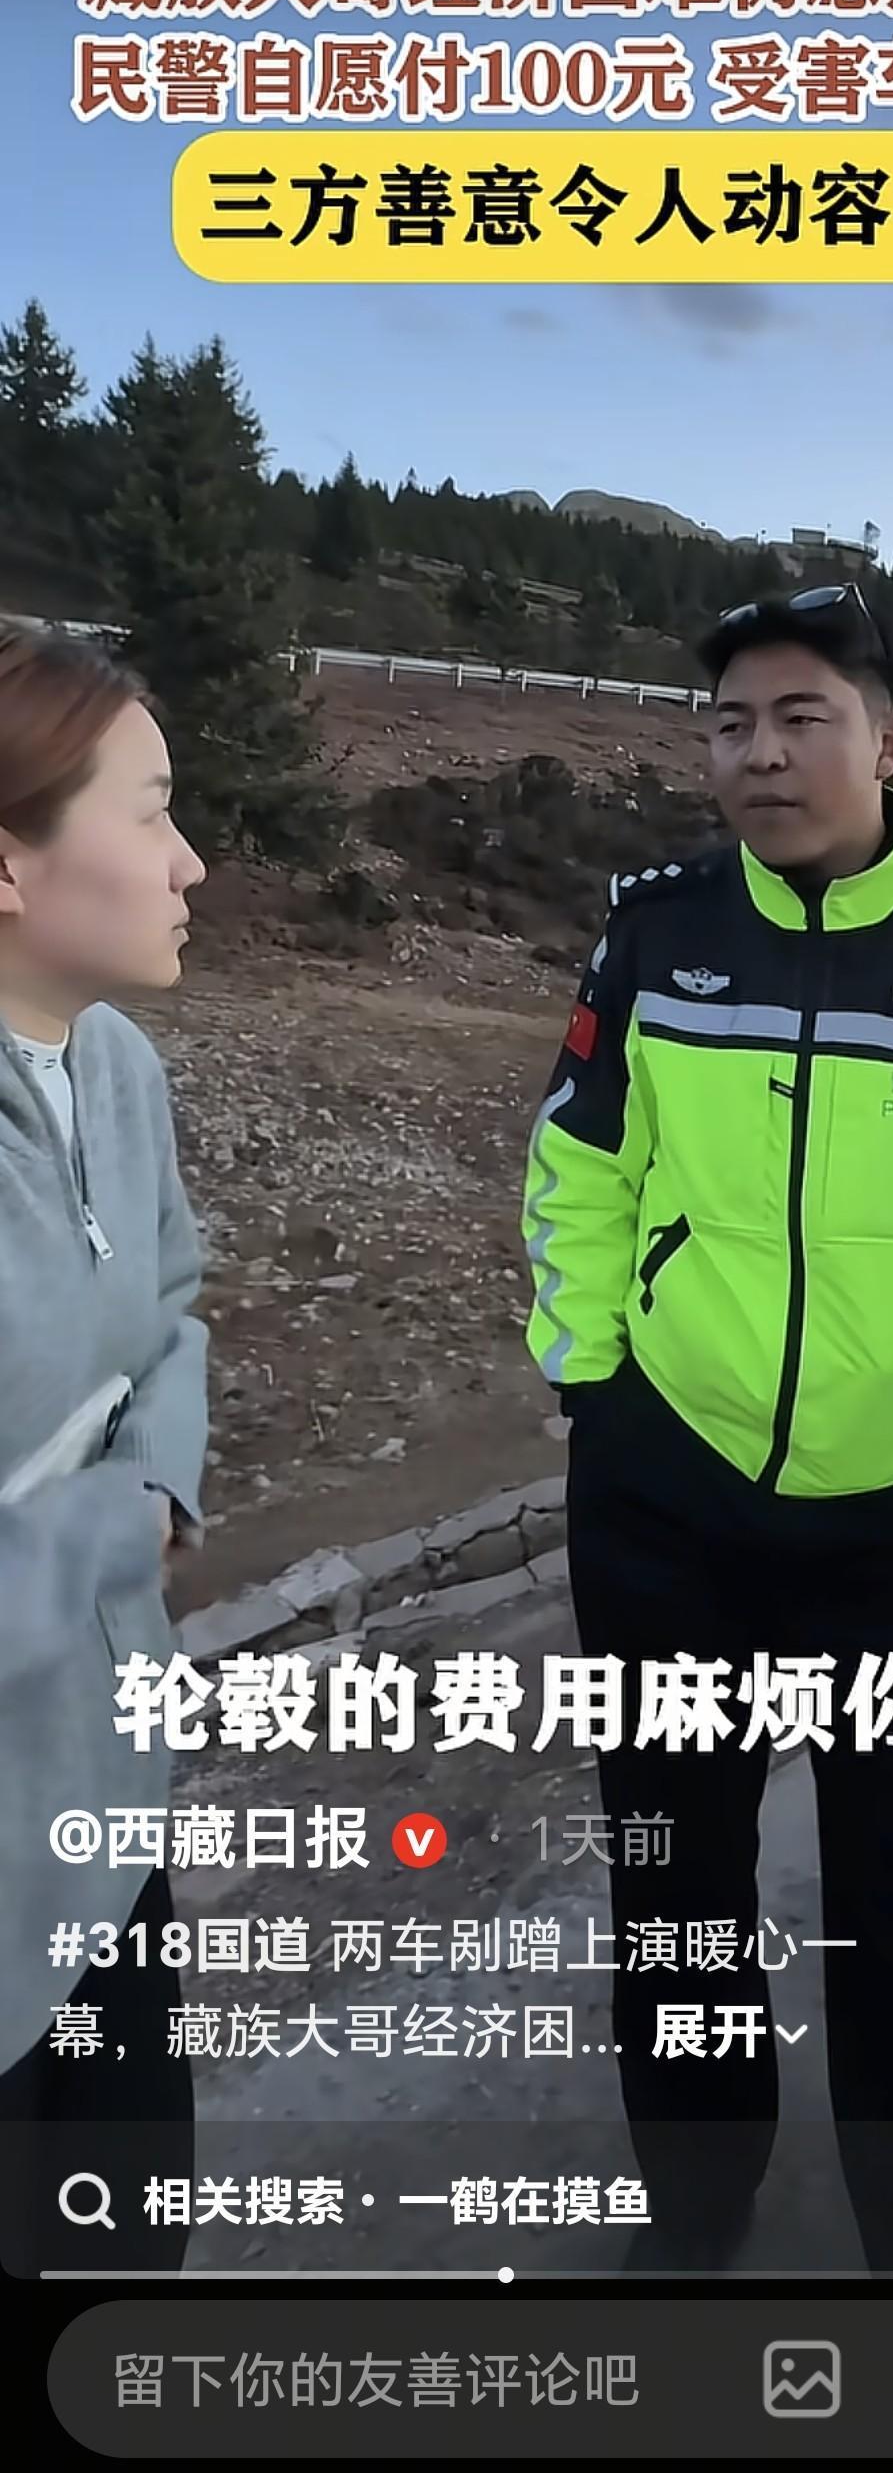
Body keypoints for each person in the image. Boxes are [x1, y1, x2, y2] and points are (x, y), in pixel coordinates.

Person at [521, 582, 893, 2275]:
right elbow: (579, 1165)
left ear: (892, 740)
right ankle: (691, 2209)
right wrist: (591, 1379)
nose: (762, 754)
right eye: (732, 723)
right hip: (669, 1495)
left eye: (804, 717)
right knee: (674, 1881)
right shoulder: (654, 931)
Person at [0, 618, 208, 2277]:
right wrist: (96, 1540)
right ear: (10, 864)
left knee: (134, 2246)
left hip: (102, 1803)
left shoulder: (118, 1064)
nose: (191, 860)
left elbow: (176, 1311)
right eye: (149, 812)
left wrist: (153, 1485)